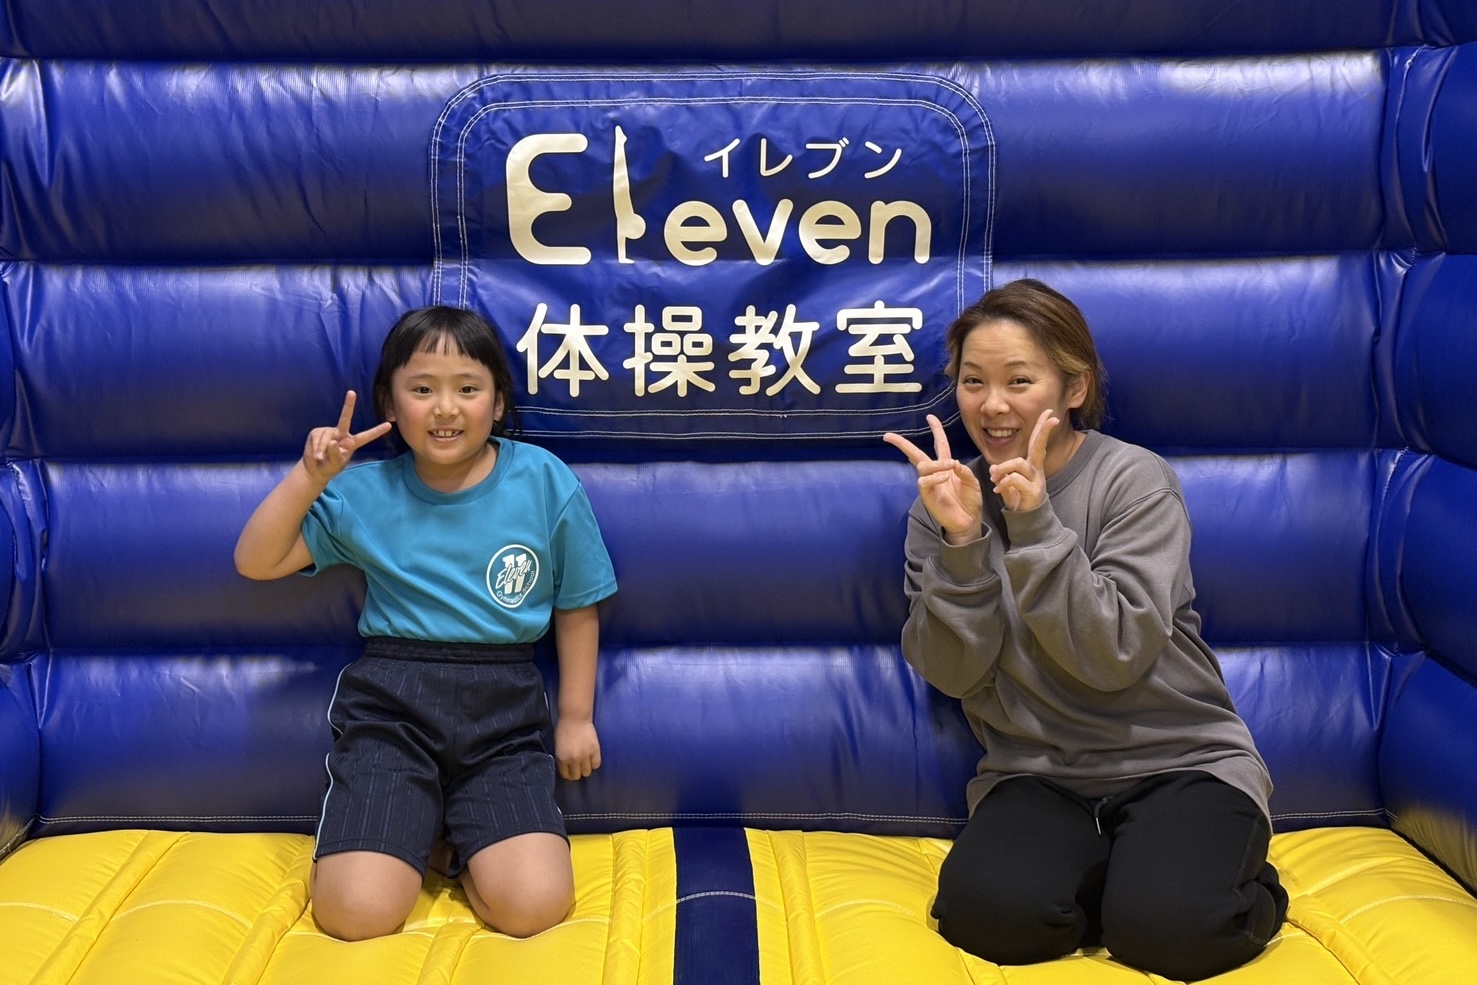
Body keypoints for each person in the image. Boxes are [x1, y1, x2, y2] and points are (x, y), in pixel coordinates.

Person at [882, 279, 1287, 981]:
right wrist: (962, 544)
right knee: (987, 918)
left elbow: (1112, 654)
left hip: (1179, 764)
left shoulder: (1133, 481)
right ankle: (1121, 875)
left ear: (1074, 387)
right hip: (1036, 774)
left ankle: (1219, 881)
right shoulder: (945, 503)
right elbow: (952, 672)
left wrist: (1035, 525)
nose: (992, 405)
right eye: (973, 381)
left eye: (1019, 380)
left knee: (1172, 934)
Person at [235, 305, 617, 941]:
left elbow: (577, 602)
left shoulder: (544, 480)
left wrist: (576, 717)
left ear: (498, 402)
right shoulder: (362, 490)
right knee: (354, 915)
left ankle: (448, 839)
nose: (445, 408)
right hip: (393, 713)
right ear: (390, 402)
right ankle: (415, 829)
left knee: (535, 906)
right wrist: (310, 477)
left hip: (503, 719)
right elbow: (256, 561)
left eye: (467, 388)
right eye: (421, 389)